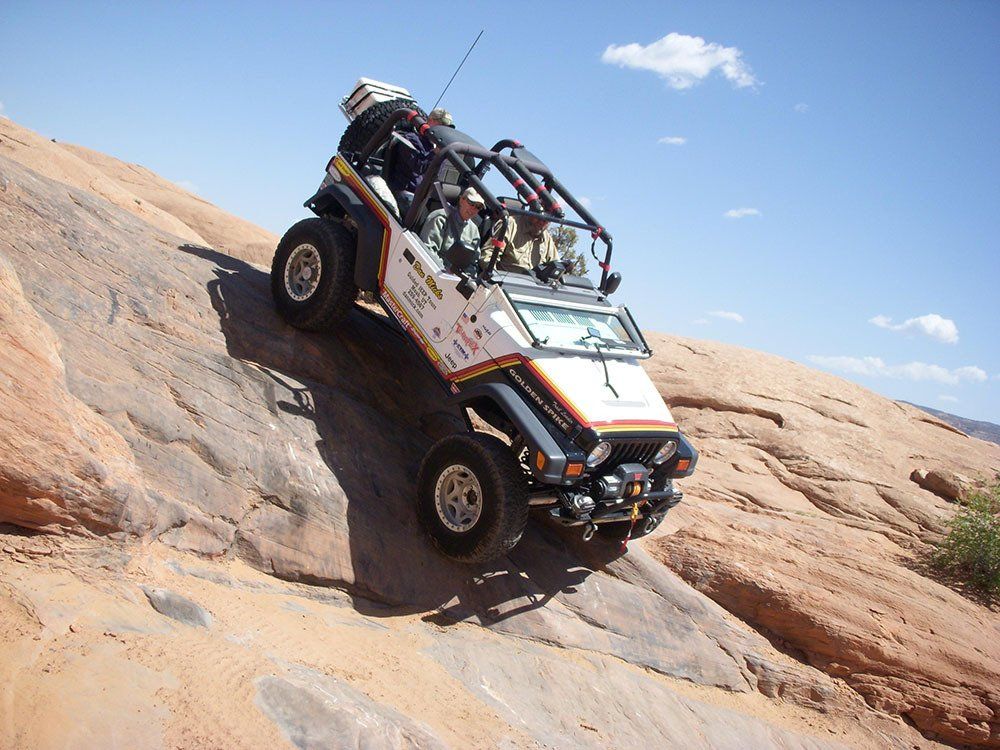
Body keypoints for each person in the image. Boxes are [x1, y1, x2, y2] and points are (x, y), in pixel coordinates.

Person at [388, 107, 453, 193]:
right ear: (430, 121)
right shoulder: (411, 139)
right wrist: (435, 153)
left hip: (418, 196)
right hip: (402, 191)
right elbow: (418, 167)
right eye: (442, 125)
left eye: (447, 128)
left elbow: (435, 176)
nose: (444, 130)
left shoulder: (433, 146)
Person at [420, 187, 484, 265]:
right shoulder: (441, 218)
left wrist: (467, 276)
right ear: (461, 200)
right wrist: (446, 271)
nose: (473, 209)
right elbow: (428, 251)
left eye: (478, 207)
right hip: (434, 269)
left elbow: (473, 262)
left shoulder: (474, 231)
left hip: (456, 274)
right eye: (471, 203)